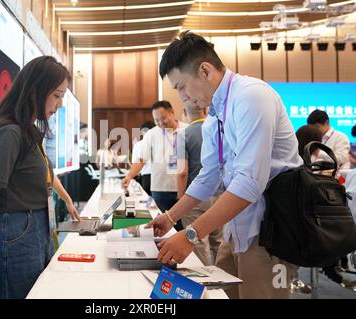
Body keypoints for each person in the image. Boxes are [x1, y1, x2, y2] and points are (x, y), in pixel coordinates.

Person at [146, 31, 301, 299]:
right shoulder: (216, 115)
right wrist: (171, 216)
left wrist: (191, 234)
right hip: (238, 228)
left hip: (270, 230)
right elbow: (209, 176)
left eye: (181, 87)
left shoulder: (251, 96)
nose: (182, 97)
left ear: (204, 71)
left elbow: (249, 183)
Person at [0, 56, 80, 299]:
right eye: (56, 95)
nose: (61, 103)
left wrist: (65, 198)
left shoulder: (27, 131)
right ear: (35, 91)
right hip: (14, 234)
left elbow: (45, 174)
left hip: (32, 231)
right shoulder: (9, 132)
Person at [122, 101, 188, 231]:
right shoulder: (151, 134)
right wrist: (129, 176)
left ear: (172, 113)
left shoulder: (187, 130)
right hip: (160, 189)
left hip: (184, 188)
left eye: (163, 118)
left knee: (184, 227)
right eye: (156, 120)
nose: (160, 122)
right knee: (162, 227)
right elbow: (141, 159)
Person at [177, 100, 222, 265]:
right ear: (204, 109)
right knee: (219, 242)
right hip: (220, 195)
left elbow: (182, 171)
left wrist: (181, 198)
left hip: (195, 197)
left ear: (184, 112)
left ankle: (205, 283)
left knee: (198, 242)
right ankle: (223, 283)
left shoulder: (183, 134)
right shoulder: (218, 130)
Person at [131, 121, 155, 195]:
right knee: (158, 203)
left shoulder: (138, 145)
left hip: (145, 177)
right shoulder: (160, 143)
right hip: (159, 177)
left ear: (142, 132)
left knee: (147, 202)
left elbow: (135, 163)